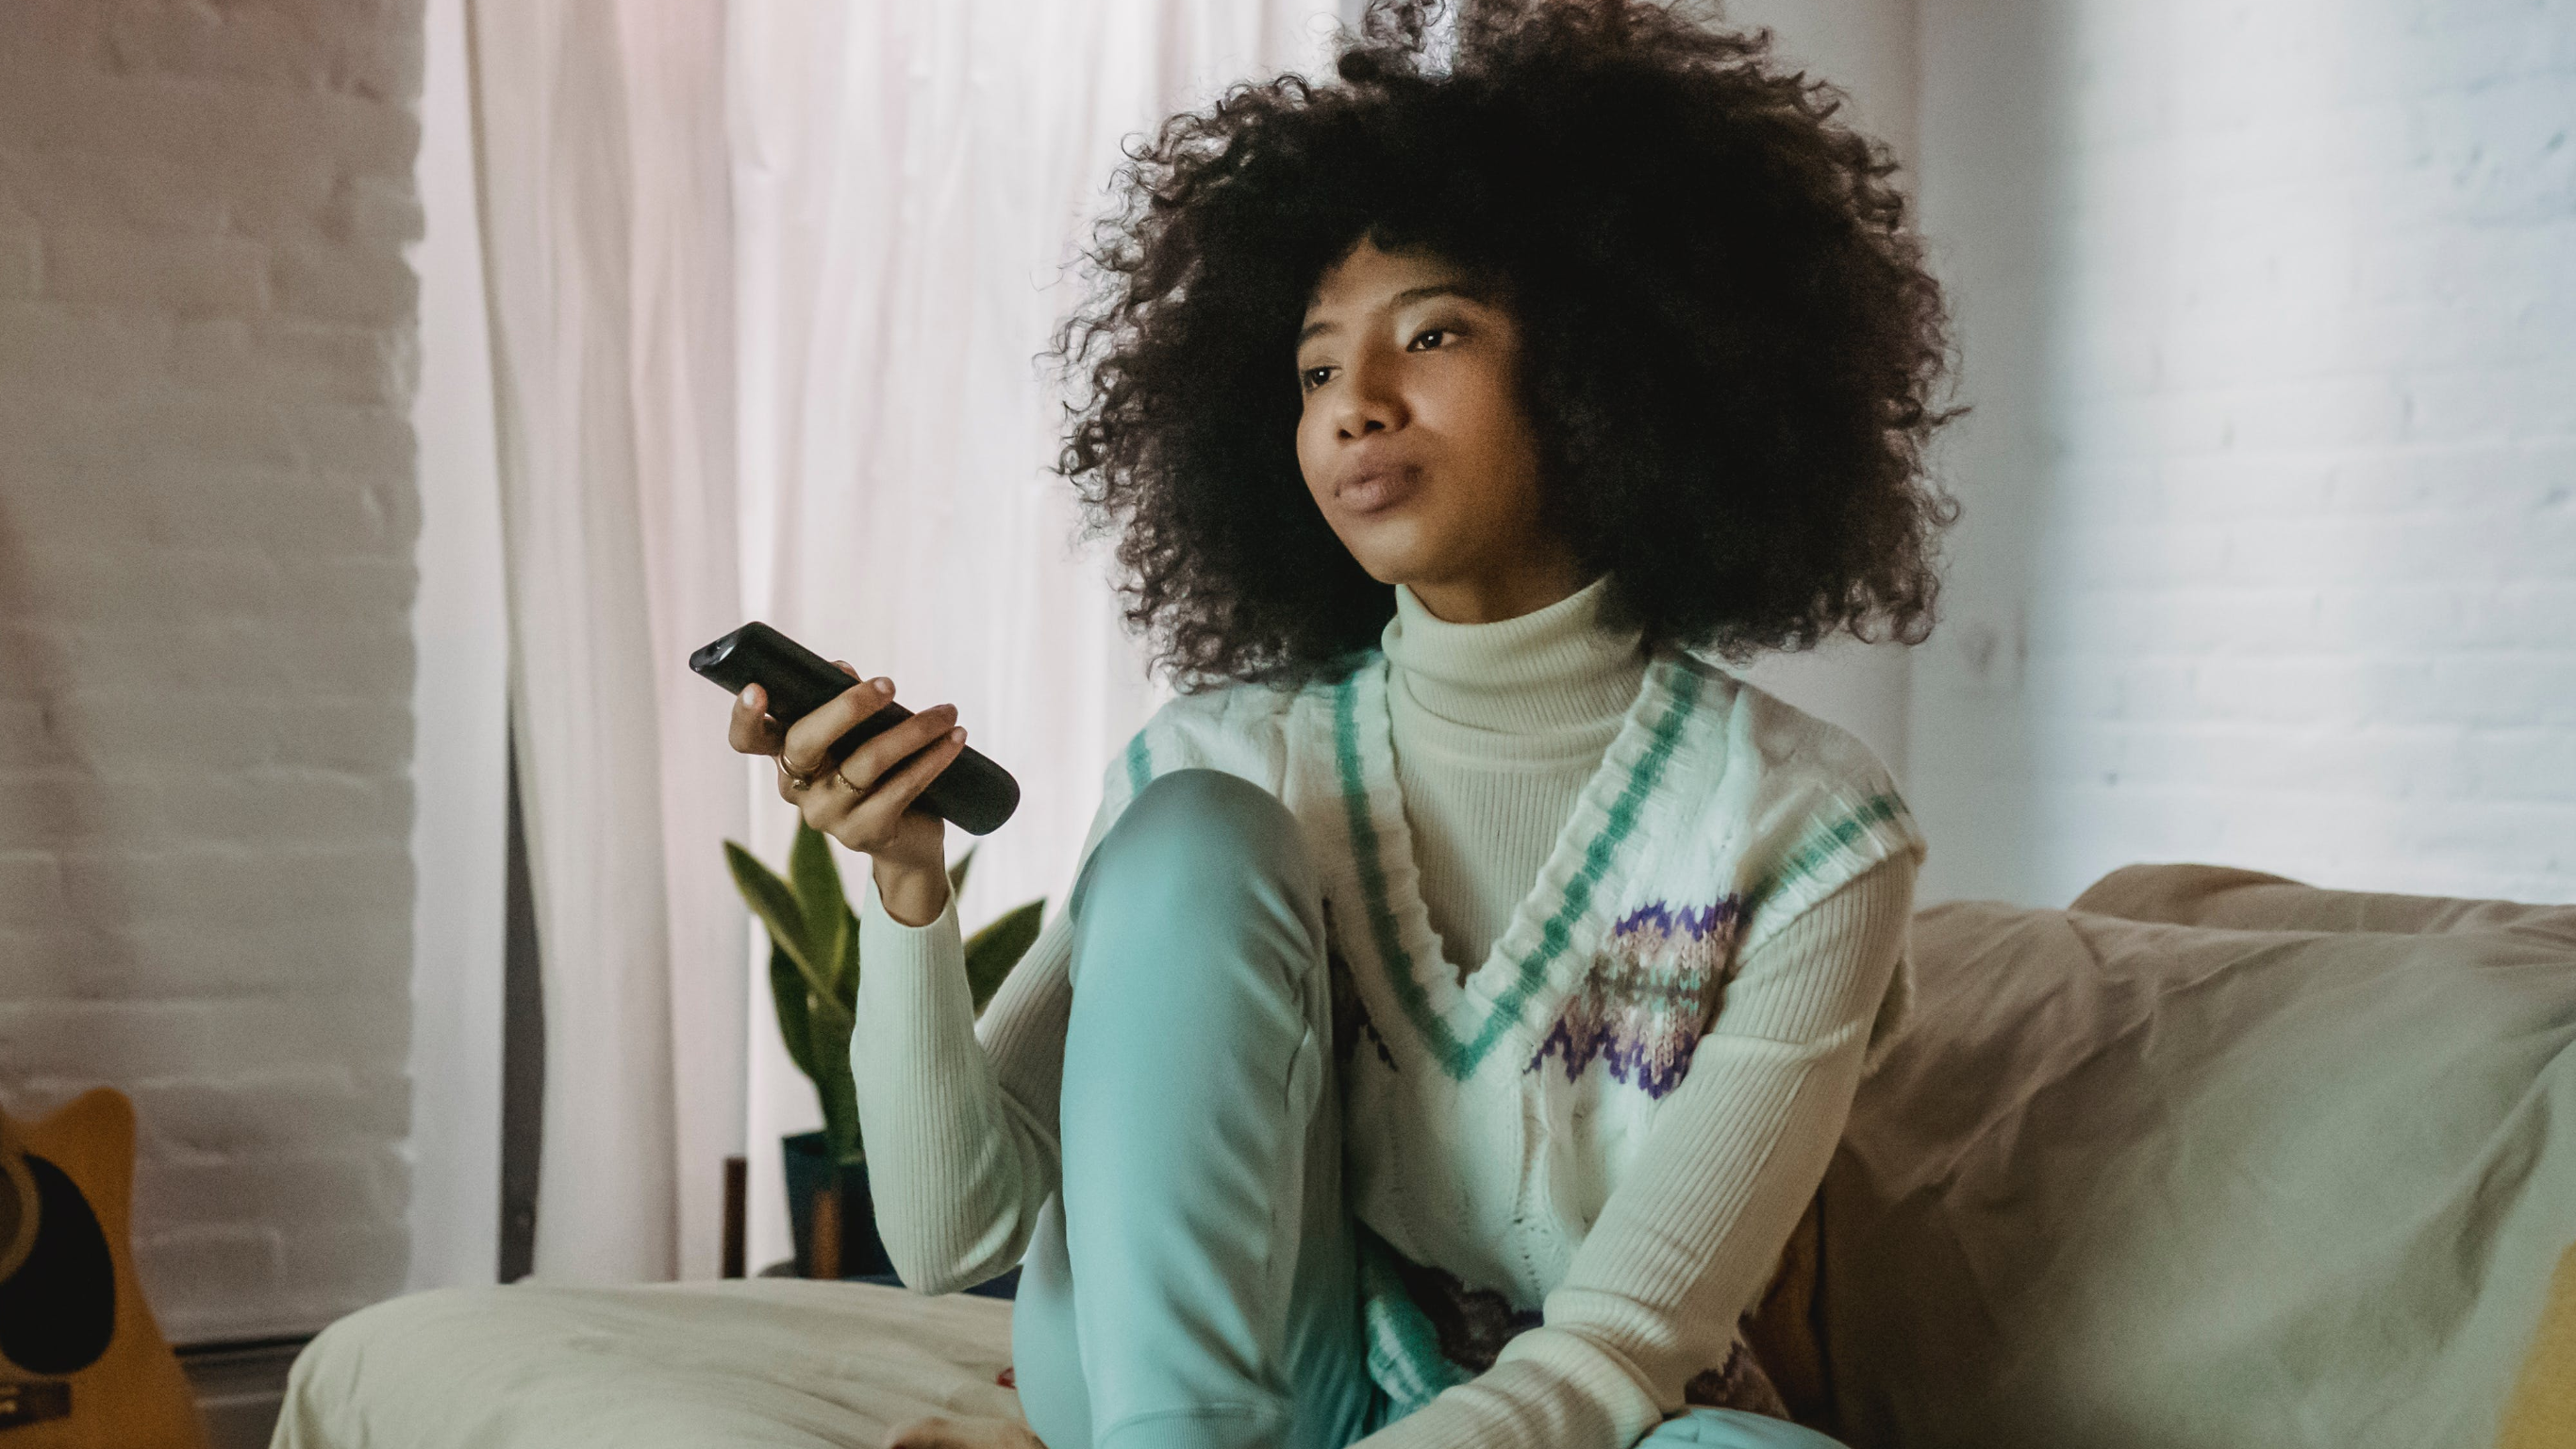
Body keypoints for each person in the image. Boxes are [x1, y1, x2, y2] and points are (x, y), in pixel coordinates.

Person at [725, 2, 1954, 1446]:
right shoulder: (1222, 760)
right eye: (1313, 369)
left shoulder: (1809, 827)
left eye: (1429, 335)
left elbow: (1622, 1349)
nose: (1354, 406)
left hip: (1565, 1416)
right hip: (1221, 1406)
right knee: (1192, 838)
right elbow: (952, 1235)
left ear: (1605, 369)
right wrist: (909, 898)